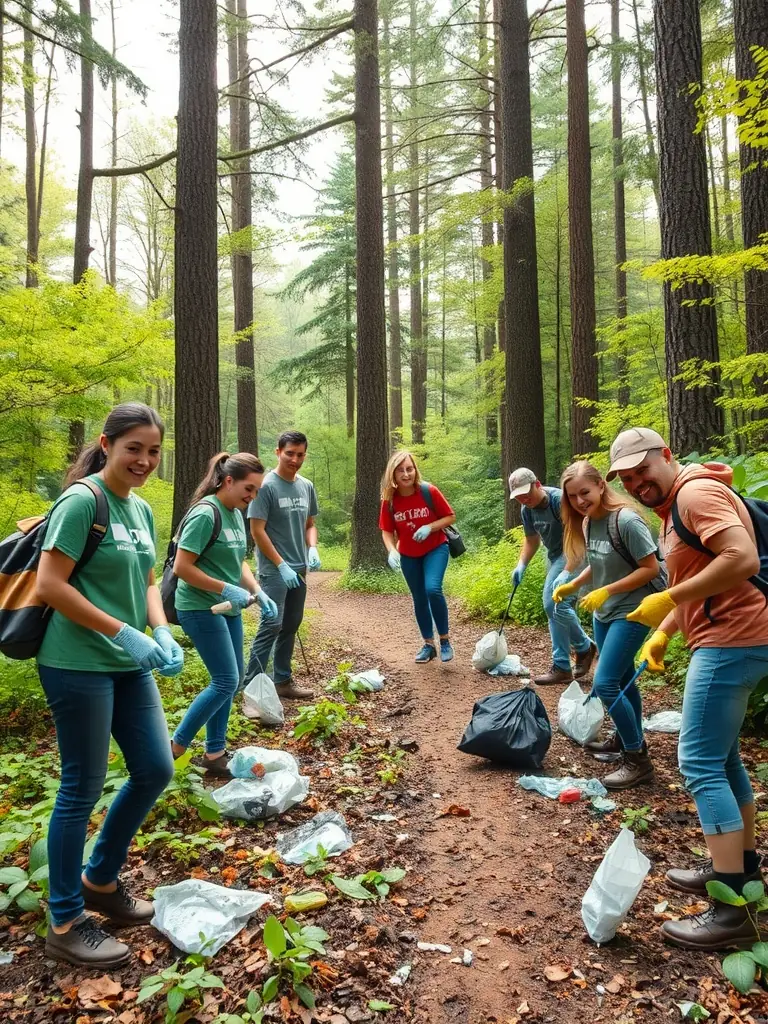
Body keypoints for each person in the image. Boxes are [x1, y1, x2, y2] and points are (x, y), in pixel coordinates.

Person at [35, 403, 184, 968]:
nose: (144, 460)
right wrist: (125, 632)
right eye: (133, 449)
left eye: (153, 451)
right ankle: (66, 919)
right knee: (82, 785)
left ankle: (100, 879)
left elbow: (147, 578)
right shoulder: (81, 501)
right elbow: (51, 584)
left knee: (154, 767)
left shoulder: (141, 508)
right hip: (77, 662)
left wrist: (161, 630)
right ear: (107, 444)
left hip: (129, 661)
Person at [609, 426, 768, 949]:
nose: (636, 482)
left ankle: (731, 912)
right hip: (726, 637)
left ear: (666, 456)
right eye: (627, 478)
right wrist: (662, 632)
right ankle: (740, 874)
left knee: (699, 761)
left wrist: (666, 597)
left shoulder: (695, 494)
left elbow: (740, 560)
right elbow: (703, 579)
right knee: (723, 760)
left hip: (732, 641)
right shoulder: (674, 506)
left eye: (642, 470)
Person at [553, 461, 662, 789]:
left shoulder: (625, 520)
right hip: (605, 613)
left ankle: (637, 759)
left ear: (601, 485)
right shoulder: (588, 523)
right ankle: (626, 737)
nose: (580, 501)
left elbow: (651, 569)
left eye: (584, 492)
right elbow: (598, 563)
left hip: (633, 611)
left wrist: (607, 590)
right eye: (572, 497)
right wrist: (574, 584)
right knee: (625, 679)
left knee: (605, 683)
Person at [170, 453, 279, 776]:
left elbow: (238, 563)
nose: (252, 496)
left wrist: (257, 591)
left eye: (257, 490)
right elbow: (182, 567)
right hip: (199, 607)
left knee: (231, 682)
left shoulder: (234, 514)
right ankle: (174, 748)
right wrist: (224, 588)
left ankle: (215, 753)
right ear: (227, 480)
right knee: (226, 680)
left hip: (227, 608)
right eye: (248, 488)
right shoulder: (206, 513)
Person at [243, 431, 320, 700]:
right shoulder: (265, 486)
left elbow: (310, 525)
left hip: (299, 568)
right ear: (278, 452)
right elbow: (257, 531)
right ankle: (250, 685)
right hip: (274, 570)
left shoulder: (306, 486)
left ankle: (282, 681)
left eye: (300, 454)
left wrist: (312, 547)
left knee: (291, 624)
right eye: (290, 453)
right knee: (271, 623)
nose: (295, 459)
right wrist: (281, 564)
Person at [508, 467, 596, 684]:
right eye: (518, 496)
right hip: (555, 555)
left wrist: (566, 572)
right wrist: (521, 565)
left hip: (574, 551)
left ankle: (580, 650)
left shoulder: (559, 501)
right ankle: (566, 664)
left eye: (526, 493)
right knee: (556, 606)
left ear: (537, 484)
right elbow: (531, 540)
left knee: (552, 604)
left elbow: (576, 536)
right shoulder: (526, 509)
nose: (524, 499)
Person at [379, 450, 456, 663]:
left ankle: (445, 640)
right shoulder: (390, 501)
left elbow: (450, 516)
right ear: (393, 474)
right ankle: (428, 645)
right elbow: (386, 531)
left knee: (432, 589)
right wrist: (392, 550)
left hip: (435, 548)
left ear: (415, 470)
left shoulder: (428, 491)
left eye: (410, 469)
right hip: (408, 555)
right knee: (419, 597)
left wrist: (429, 527)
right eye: (401, 470)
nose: (406, 474)